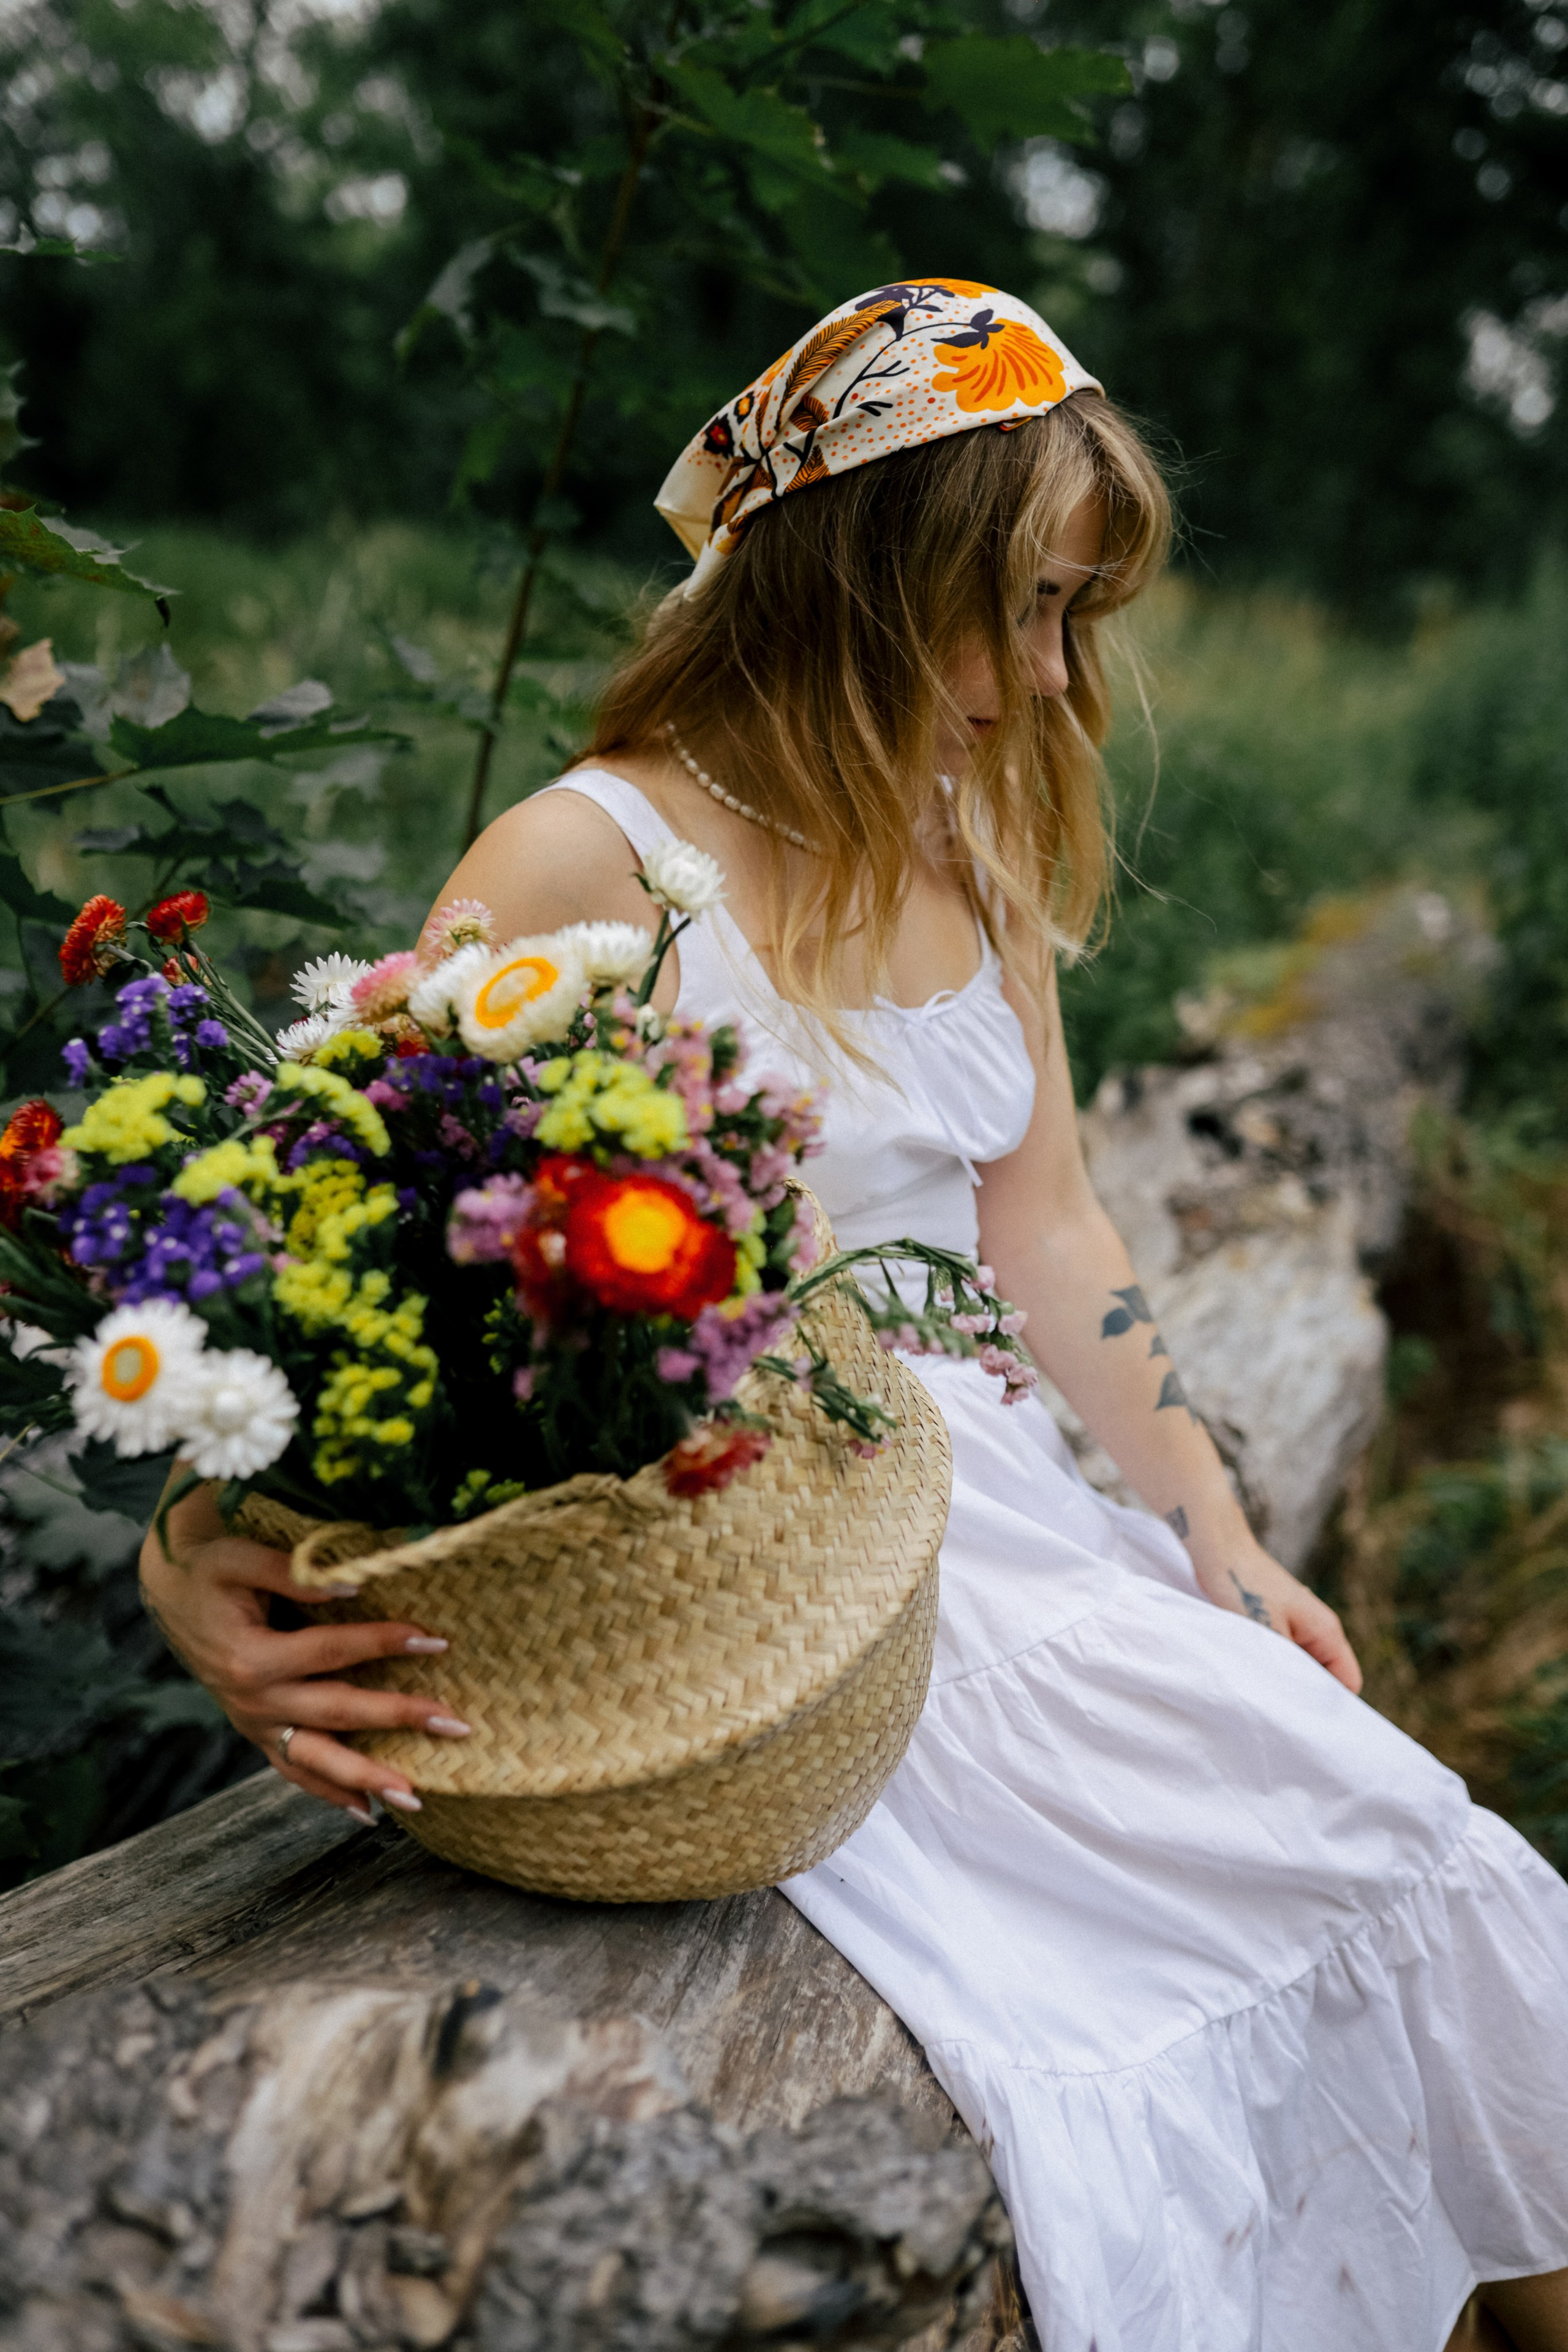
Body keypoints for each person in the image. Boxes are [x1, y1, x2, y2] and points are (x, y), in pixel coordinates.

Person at [141, 281, 1568, 2351]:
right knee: (1240, 1955)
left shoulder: (964, 845)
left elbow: (1049, 1223)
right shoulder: (580, 862)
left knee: (1420, 1864)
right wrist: (192, 1552)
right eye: (1025, 607)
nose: (1055, 675)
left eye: (1080, 616)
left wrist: (1215, 1524)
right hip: (759, 1562)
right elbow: (332, 1264)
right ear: (857, 578)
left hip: (1002, 1516)